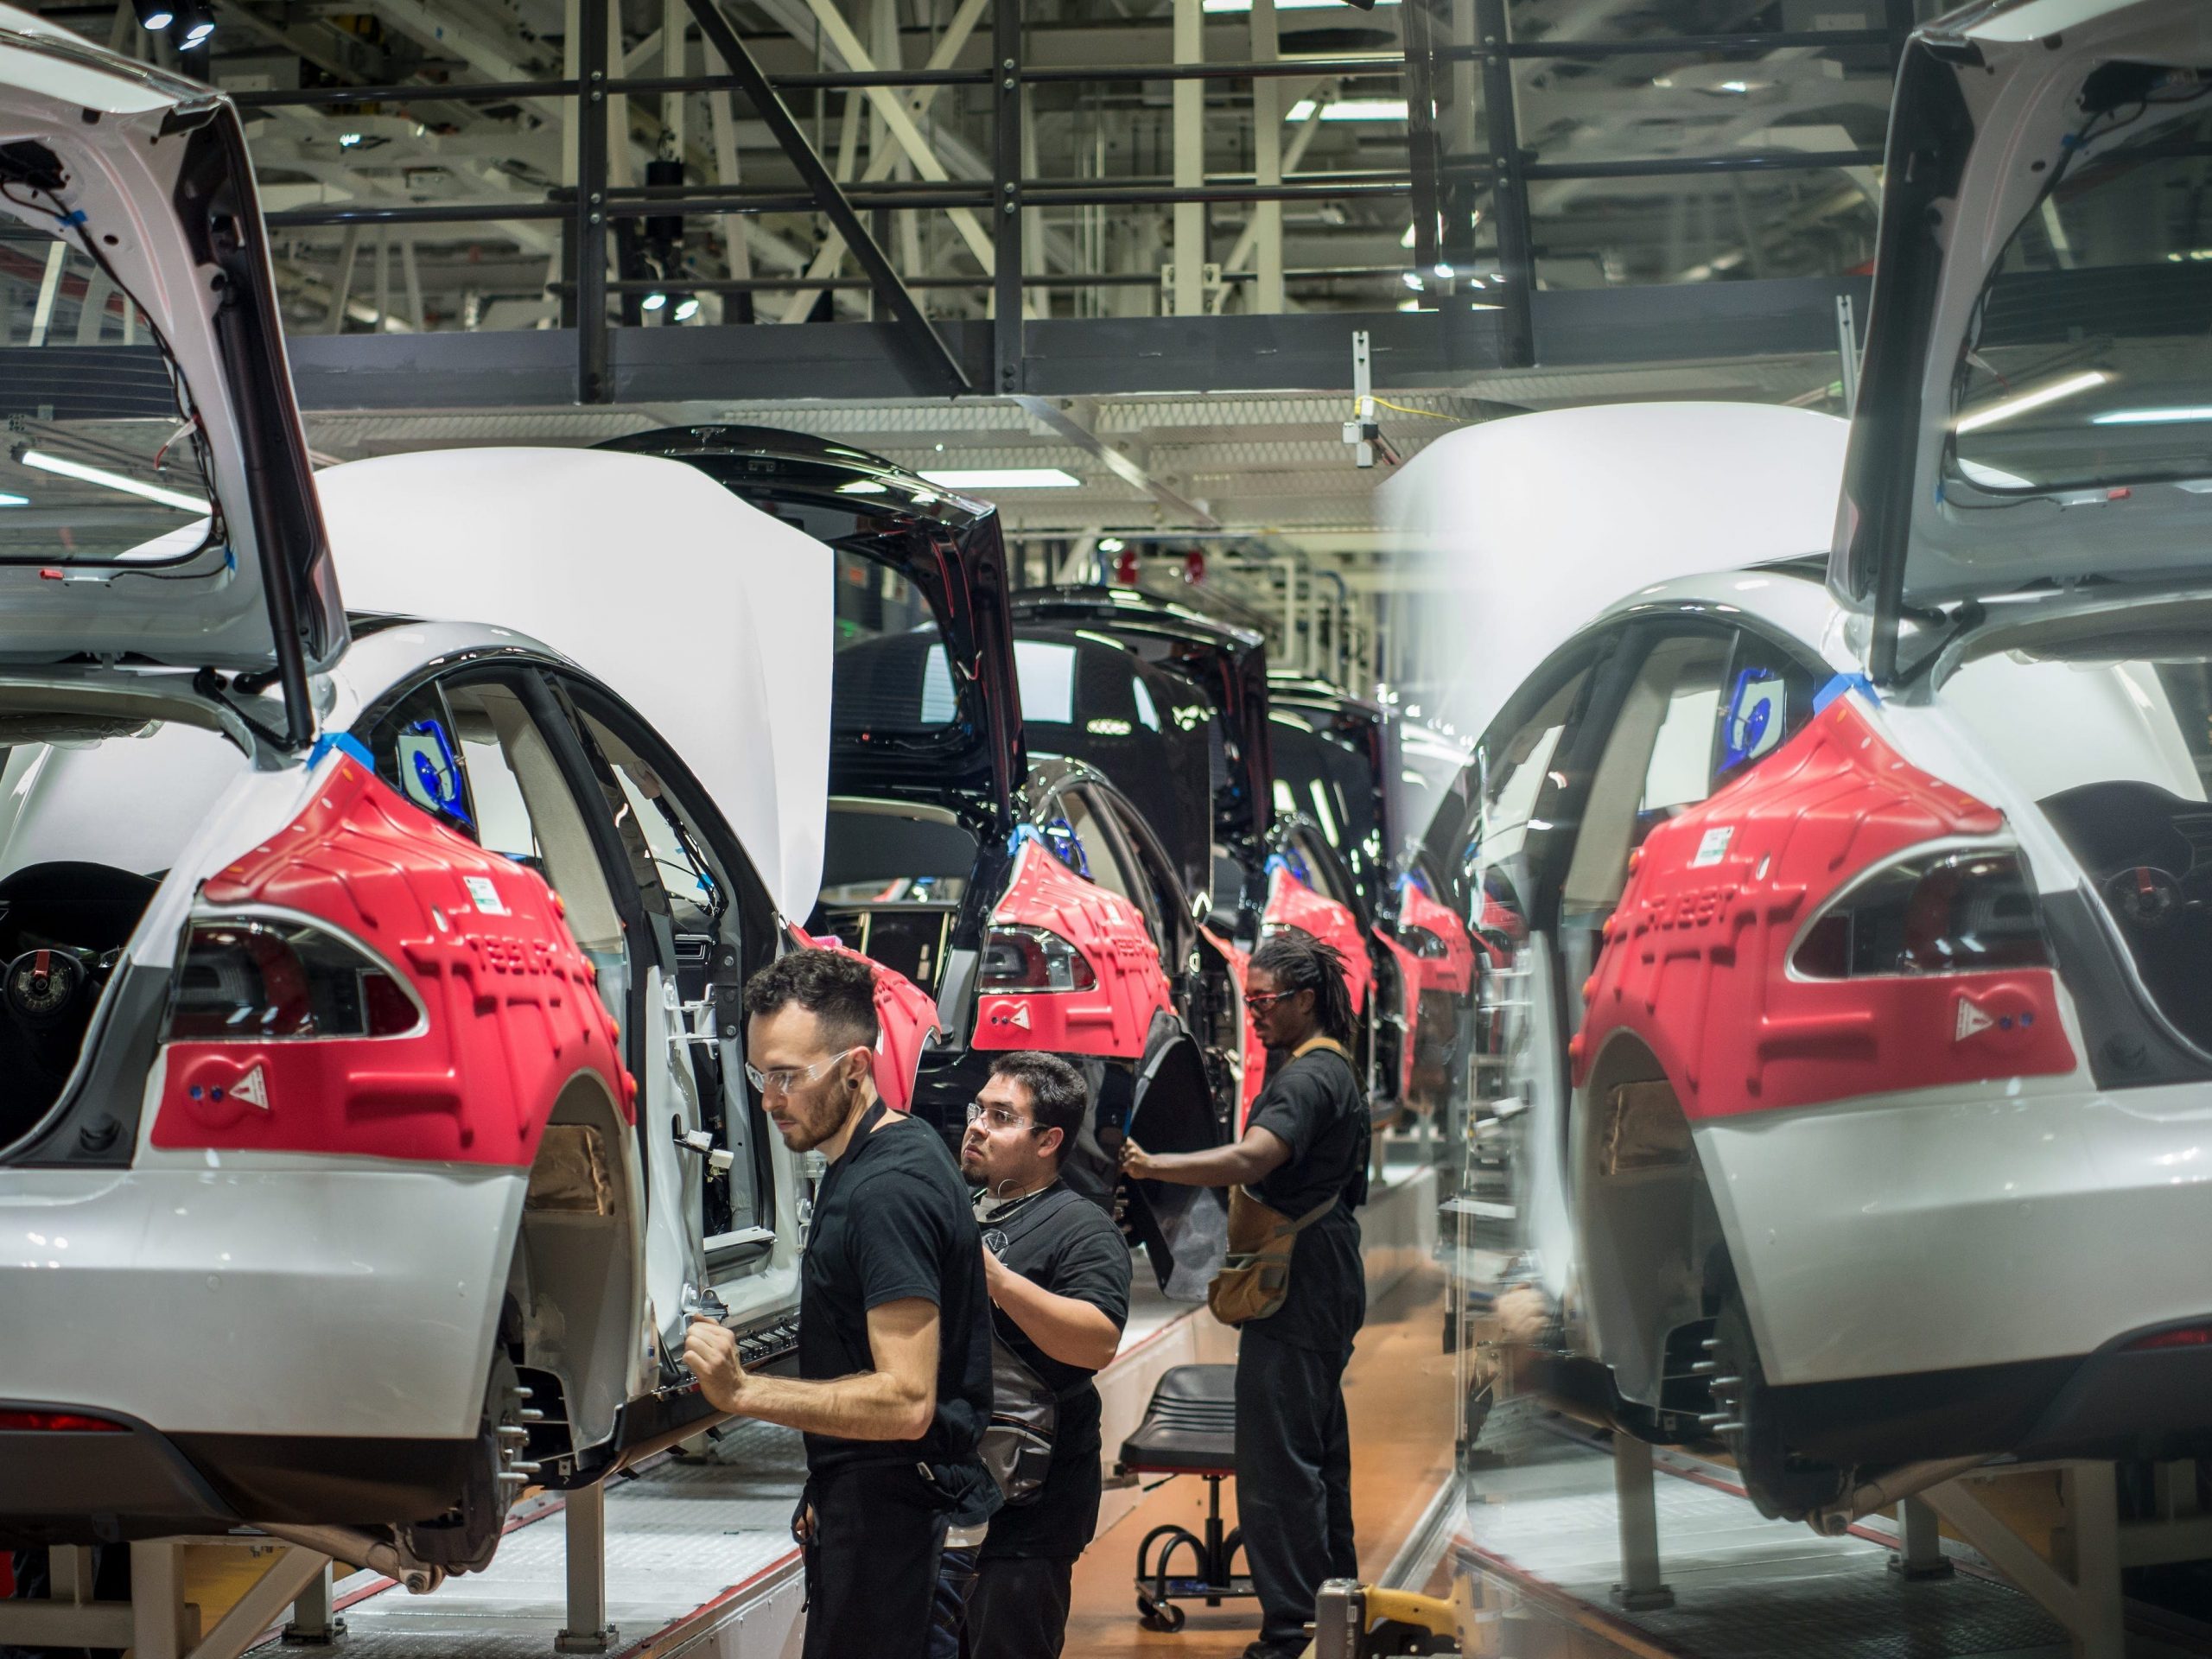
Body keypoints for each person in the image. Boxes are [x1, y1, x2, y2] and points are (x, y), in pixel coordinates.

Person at [683, 950, 996, 1659]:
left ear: (856, 1066)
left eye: (789, 1077)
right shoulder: (886, 1152)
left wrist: (742, 1391)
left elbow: (906, 1401)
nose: (768, 1098)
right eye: (762, 1075)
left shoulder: (888, 1192)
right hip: (878, 1503)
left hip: (903, 1524)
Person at [1120, 932, 1369, 1659]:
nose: (1253, 1012)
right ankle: (1334, 1609)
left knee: (1276, 1469)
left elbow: (1254, 1156)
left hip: (1302, 1282)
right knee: (1316, 1453)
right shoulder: (1328, 1066)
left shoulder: (1305, 1080)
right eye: (1249, 998)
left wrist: (1152, 1163)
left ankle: (1290, 1633)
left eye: (1266, 1000)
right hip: (1323, 1273)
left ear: (1307, 999)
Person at [939, 1051, 1132, 1659]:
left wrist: (997, 1280)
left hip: (1030, 1508)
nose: (976, 1125)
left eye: (1000, 1116)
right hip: (950, 1488)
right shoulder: (959, 1205)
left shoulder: (1080, 1227)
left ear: (1049, 1139)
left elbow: (1098, 1339)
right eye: (978, 1109)